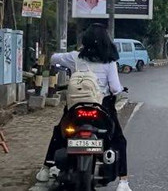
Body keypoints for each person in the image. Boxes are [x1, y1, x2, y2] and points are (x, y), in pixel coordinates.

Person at [36, 23, 131, 191]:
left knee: (59, 133)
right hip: (102, 109)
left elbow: (53, 59)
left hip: (76, 108)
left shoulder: (75, 57)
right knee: (118, 139)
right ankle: (123, 181)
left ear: (85, 40)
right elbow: (116, 88)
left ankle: (45, 168)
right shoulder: (110, 62)